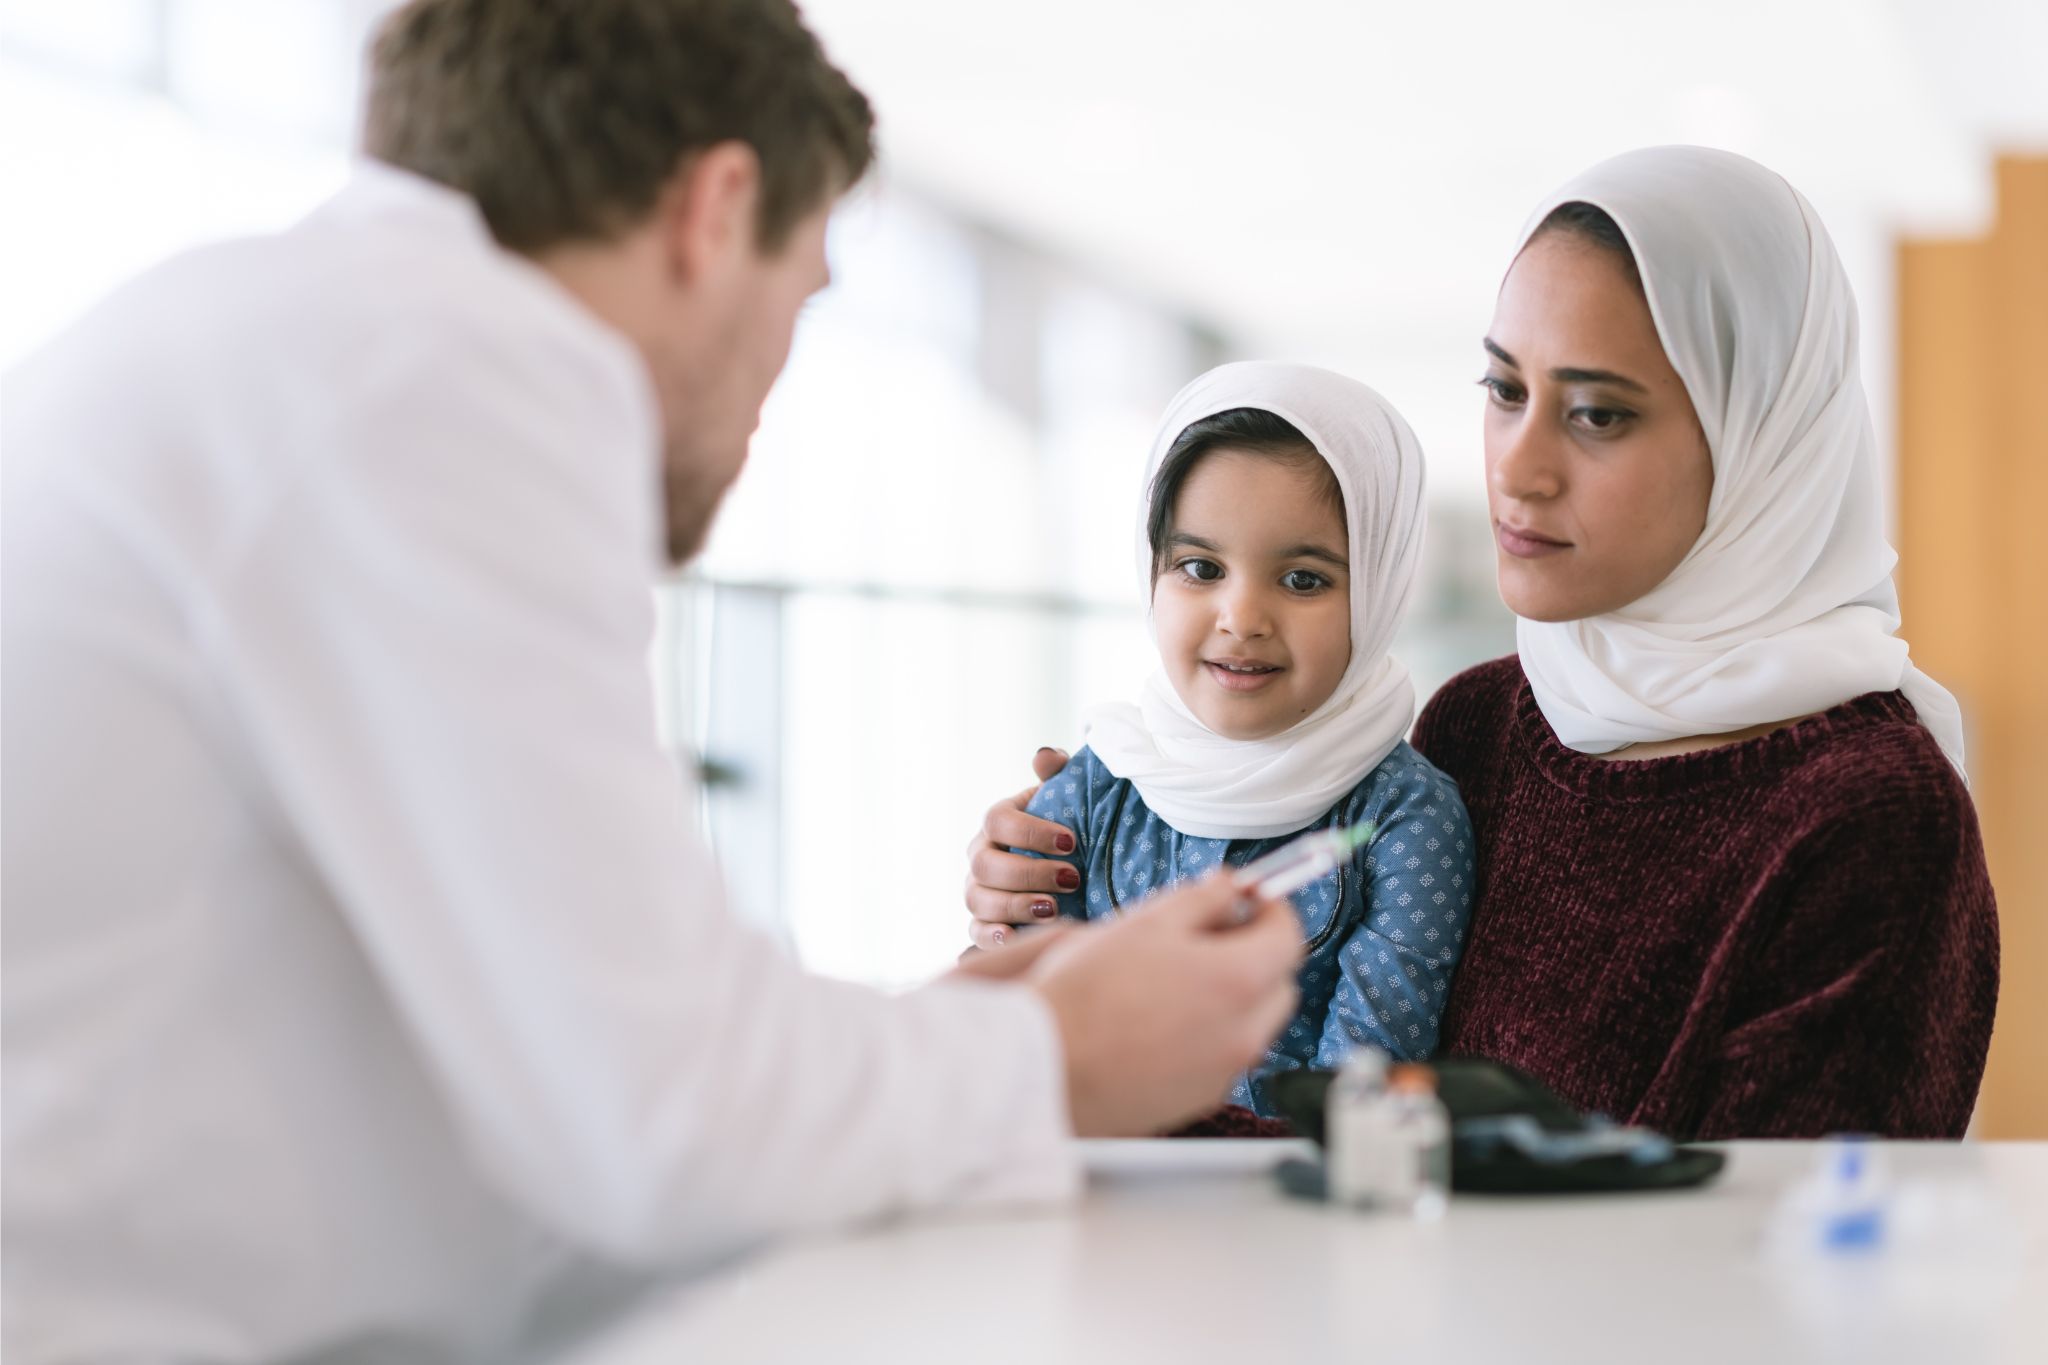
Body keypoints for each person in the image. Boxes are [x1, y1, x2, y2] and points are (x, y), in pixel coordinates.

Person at [0, 2, 1305, 1359]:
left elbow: (591, 1065)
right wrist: (1057, 1061)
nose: (767, 398)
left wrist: (920, 1045)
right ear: (715, 210)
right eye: (799, 298)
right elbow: (665, 1124)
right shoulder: (454, 372)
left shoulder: (304, 340)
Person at [967, 146, 1999, 1140]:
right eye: (1504, 391)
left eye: (1594, 414)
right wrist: (1041, 883)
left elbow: (1791, 1273)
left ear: (1757, 441)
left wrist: (1086, 1078)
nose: (1520, 467)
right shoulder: (1483, 723)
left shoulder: (1869, 818)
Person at [1017, 363, 1475, 1118]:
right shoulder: (1099, 783)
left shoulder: (1406, 816)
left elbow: (1357, 1093)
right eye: (1200, 568)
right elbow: (1022, 1038)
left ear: (1382, 586)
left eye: (1302, 580)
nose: (1242, 616)